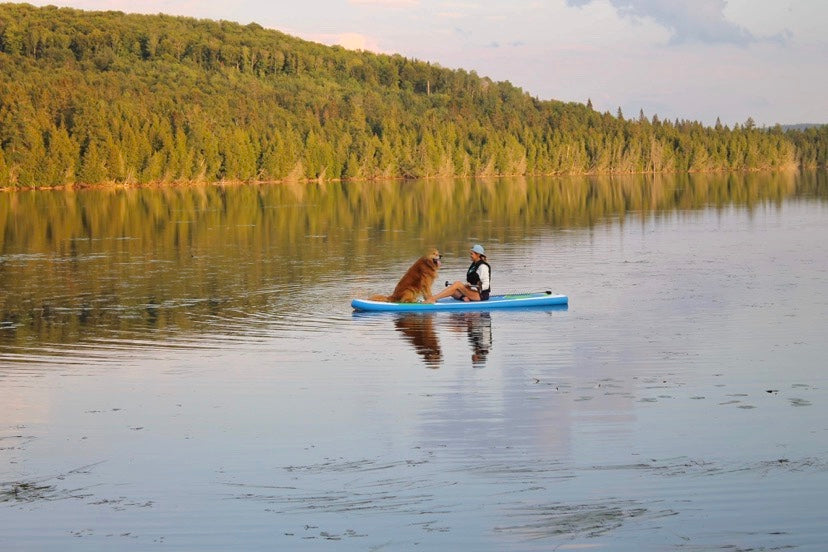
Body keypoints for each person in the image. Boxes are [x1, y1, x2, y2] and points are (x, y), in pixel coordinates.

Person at [426, 244, 490, 303]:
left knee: (457, 284)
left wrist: (474, 286)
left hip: (481, 295)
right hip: (473, 291)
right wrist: (468, 285)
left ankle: (432, 299)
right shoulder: (474, 264)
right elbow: (472, 279)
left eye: (472, 254)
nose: (470, 256)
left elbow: (486, 285)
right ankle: (463, 298)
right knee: (452, 290)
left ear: (478, 255)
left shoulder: (483, 266)